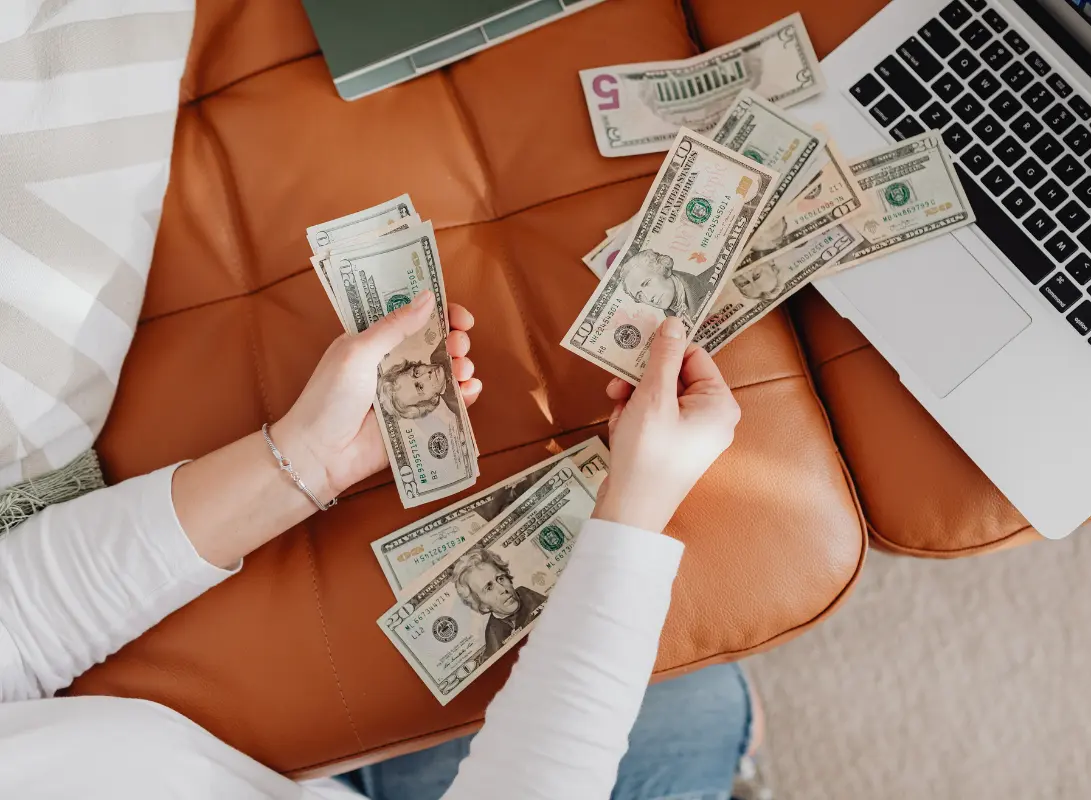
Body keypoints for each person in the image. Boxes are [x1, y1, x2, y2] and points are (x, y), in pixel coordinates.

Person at [0, 289, 750, 799]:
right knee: (706, 714)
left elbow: (21, 621)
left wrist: (306, 457)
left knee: (698, 706)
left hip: (271, 768)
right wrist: (635, 506)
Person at [453, 548, 547, 659]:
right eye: (489, 588)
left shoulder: (527, 595)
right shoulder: (493, 635)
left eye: (501, 578)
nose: (503, 589)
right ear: (483, 606)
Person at [619, 248, 717, 322]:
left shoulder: (715, 276)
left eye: (647, 283)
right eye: (639, 295)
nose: (649, 298)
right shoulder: (671, 320)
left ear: (663, 269)